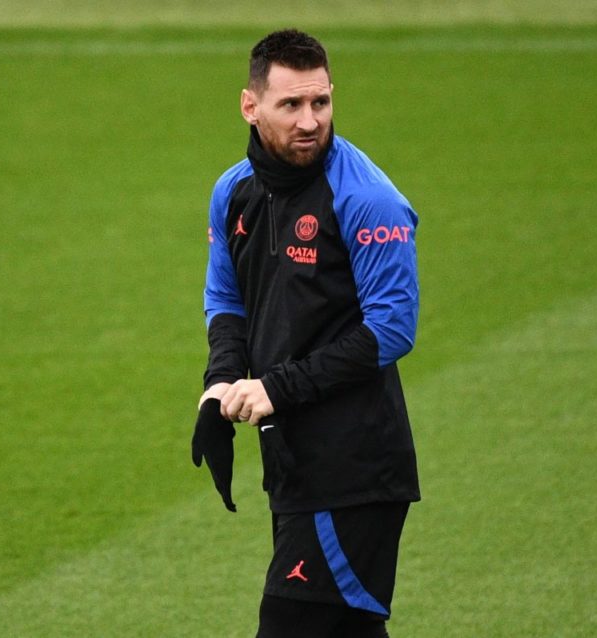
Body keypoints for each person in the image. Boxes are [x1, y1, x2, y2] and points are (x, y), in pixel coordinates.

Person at [192, 29, 421, 638]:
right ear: (251, 105)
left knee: (290, 626)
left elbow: (392, 330)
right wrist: (220, 384)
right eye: (290, 105)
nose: (309, 121)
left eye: (320, 102)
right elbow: (227, 298)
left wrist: (276, 388)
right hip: (292, 460)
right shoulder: (233, 192)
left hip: (355, 467)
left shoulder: (368, 199)